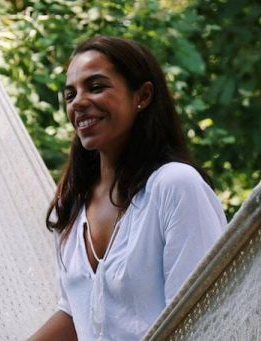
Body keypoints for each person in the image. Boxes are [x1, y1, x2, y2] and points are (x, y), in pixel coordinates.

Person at [29, 36, 227, 340]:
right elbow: (75, 313)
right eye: (70, 94)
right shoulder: (70, 206)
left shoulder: (175, 187)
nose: (78, 102)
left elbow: (202, 320)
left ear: (143, 96)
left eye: (96, 87)